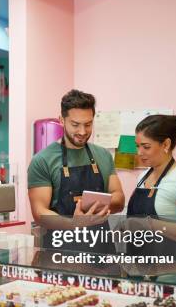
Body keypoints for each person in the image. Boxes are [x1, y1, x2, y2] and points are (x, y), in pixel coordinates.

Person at [28, 89, 125, 254]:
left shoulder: (102, 155)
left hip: (101, 252)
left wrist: (94, 209)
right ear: (61, 120)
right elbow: (39, 213)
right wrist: (75, 223)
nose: (82, 131)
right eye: (75, 124)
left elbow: (119, 198)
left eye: (88, 124)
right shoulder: (42, 160)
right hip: (61, 252)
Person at [124, 114, 176, 281]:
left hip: (170, 274)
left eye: (146, 147)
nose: (139, 153)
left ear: (166, 144)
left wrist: (150, 224)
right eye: (137, 146)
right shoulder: (143, 176)